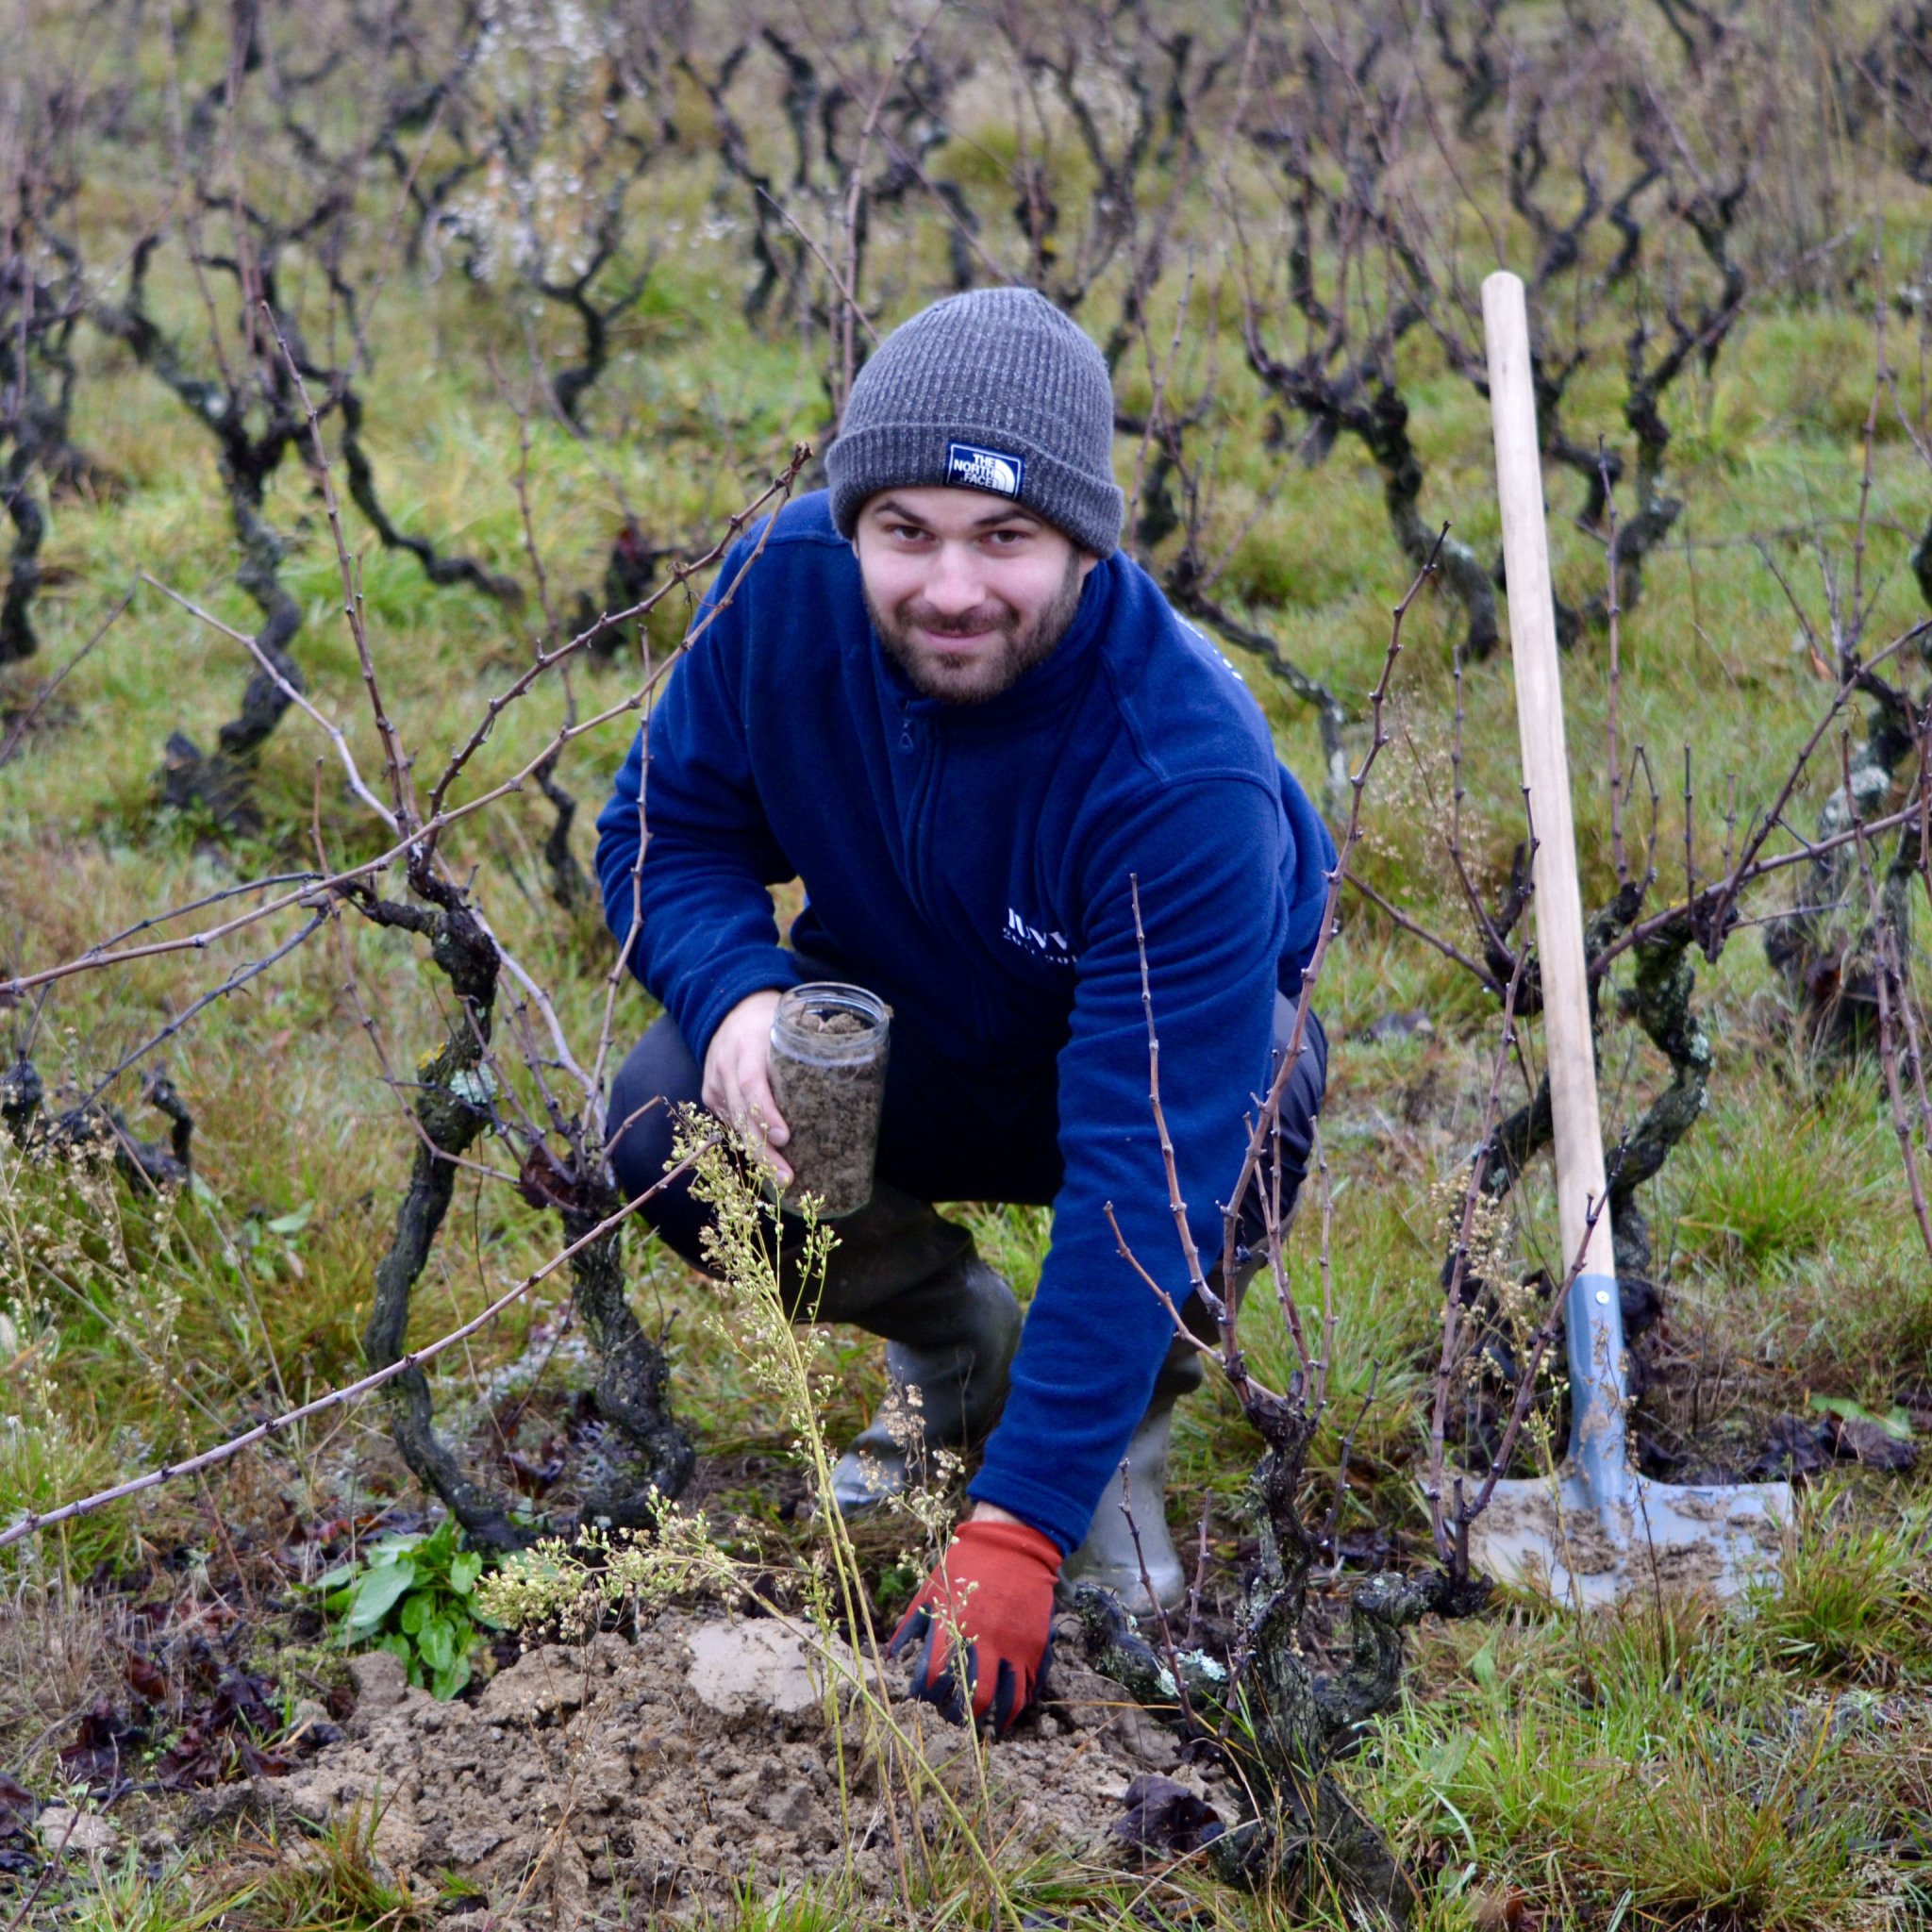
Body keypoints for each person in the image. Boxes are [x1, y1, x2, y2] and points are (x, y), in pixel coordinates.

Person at [595, 287, 1333, 1735]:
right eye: (906, 533)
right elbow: (657, 829)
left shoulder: (1179, 776)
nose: (950, 588)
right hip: (909, 1032)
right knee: (663, 1120)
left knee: (1240, 1129)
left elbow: (1143, 1172)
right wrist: (740, 991)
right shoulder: (779, 595)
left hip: (1139, 1069)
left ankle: (1112, 1444)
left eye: (1005, 539)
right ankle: (950, 1344)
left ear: (1079, 539)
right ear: (853, 523)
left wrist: (1018, 1529)